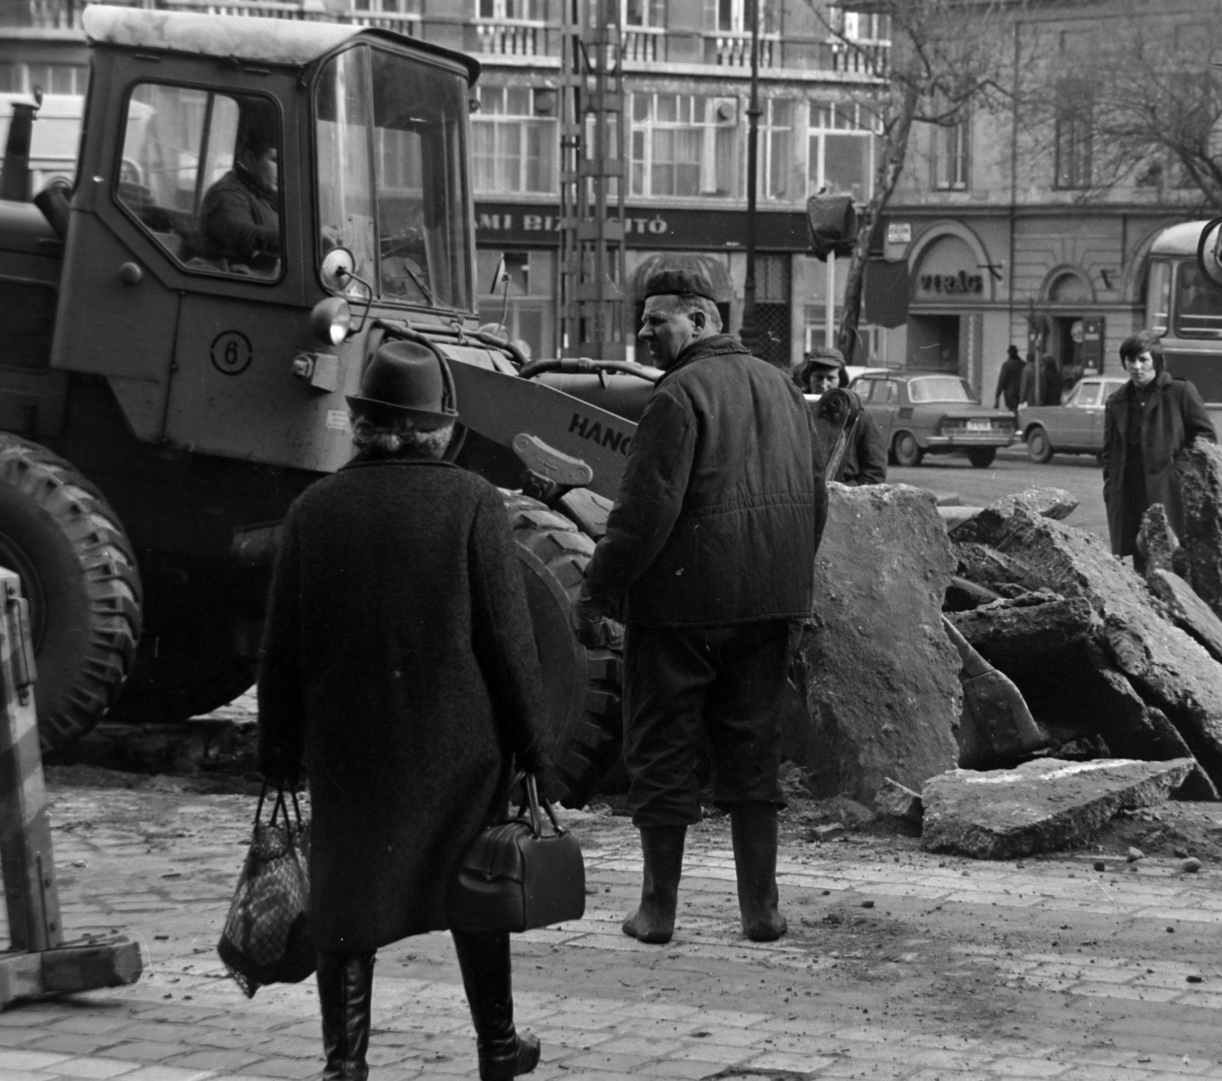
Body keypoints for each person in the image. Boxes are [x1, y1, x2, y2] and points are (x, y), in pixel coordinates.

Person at [257, 341, 547, 1081]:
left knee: (346, 899)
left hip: (351, 749)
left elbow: (281, 649)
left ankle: (345, 1063)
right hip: (459, 750)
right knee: (475, 889)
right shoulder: (473, 503)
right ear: (440, 429)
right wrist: (534, 747)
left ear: (364, 425)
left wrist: (279, 754)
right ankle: (497, 1047)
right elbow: (508, 640)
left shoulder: (314, 510)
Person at [572, 268, 828, 946]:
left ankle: (657, 911)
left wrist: (597, 587)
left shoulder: (677, 395)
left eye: (659, 320)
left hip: (683, 605)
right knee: (753, 751)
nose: (646, 333)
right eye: (645, 321)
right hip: (768, 603)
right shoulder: (782, 388)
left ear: (703, 319)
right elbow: (816, 499)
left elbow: (644, 511)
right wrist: (790, 585)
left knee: (662, 748)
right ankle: (761, 911)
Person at [1102, 329, 1216, 569]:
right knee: (1141, 561)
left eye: (1143, 359)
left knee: (1175, 560)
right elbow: (1108, 451)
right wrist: (1111, 486)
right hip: (1131, 495)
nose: (1136, 366)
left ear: (1155, 361)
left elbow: (1204, 435)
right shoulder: (1116, 401)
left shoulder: (1179, 392)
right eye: (1131, 360)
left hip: (1168, 493)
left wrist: (1180, 472)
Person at [802, 347, 887, 486]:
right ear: (808, 378)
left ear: (841, 380)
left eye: (830, 378)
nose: (824, 384)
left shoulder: (859, 416)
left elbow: (875, 469)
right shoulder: (796, 409)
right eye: (818, 377)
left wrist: (854, 496)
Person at [200, 132, 280, 273]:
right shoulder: (225, 192)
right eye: (274, 160)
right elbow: (240, 234)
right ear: (249, 160)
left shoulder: (262, 193)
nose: (283, 168)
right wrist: (298, 243)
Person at [994, 345, 1024, 411]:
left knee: (1013, 414)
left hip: (1010, 395)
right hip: (1022, 394)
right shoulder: (1023, 364)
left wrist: (997, 397)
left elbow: (1001, 382)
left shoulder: (1006, 365)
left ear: (1009, 353)